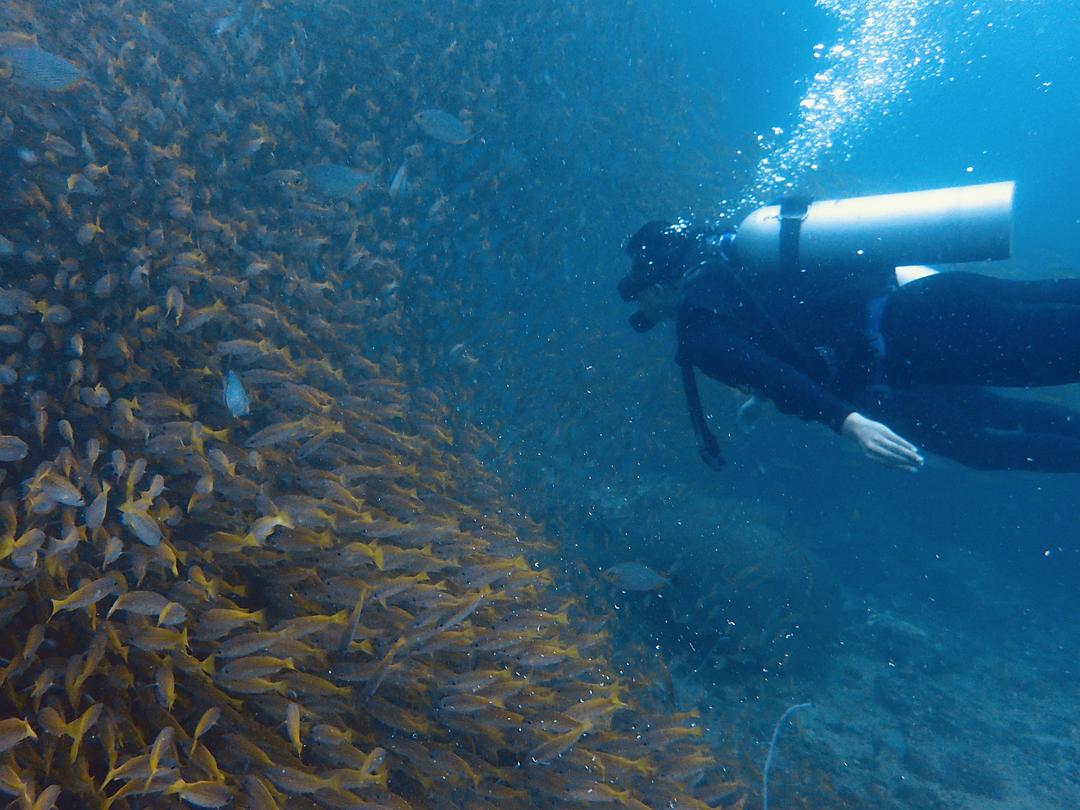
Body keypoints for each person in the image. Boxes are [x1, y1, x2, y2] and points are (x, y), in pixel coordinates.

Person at [619, 219, 1080, 473]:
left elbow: (776, 372)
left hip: (924, 339)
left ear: (659, 284)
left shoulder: (699, 330)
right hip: (933, 297)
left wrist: (850, 423)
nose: (641, 306)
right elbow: (783, 345)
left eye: (637, 291)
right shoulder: (735, 268)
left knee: (991, 432)